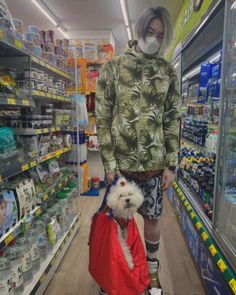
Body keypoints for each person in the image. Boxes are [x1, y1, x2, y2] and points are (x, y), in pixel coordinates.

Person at [96, 6, 181, 295]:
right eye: (150, 32)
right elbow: (104, 116)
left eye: (160, 35)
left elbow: (172, 117)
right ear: (140, 30)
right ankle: (120, 275)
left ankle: (153, 278)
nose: (155, 39)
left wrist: (171, 164)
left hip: (155, 168)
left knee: (153, 223)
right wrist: (108, 161)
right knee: (121, 223)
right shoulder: (114, 68)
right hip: (123, 169)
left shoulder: (167, 71)